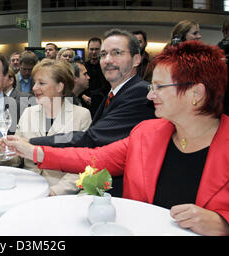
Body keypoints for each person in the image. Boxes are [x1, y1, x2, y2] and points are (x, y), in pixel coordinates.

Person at [6, 40, 229, 236]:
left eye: (159, 87)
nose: (150, 95)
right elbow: (95, 158)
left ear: (196, 93)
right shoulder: (147, 133)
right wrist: (33, 151)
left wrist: (225, 223)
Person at [24, 29, 156, 197]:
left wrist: (31, 142)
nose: (108, 60)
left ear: (136, 59)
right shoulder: (113, 94)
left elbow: (91, 139)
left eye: (117, 53)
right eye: (103, 54)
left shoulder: (139, 93)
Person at [0, 59, 91, 196]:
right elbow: (15, 161)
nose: (34, 88)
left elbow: (83, 165)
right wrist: (1, 147)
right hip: (27, 189)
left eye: (41, 83)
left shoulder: (81, 115)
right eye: (35, 83)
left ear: (60, 86)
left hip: (59, 196)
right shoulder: (28, 112)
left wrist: (54, 192)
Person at [83, 37, 109, 116]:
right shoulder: (83, 67)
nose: (94, 52)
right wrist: (82, 96)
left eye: (97, 49)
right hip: (86, 105)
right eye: (91, 49)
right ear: (88, 49)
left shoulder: (107, 66)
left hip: (103, 105)